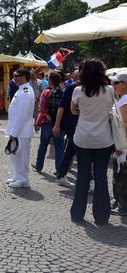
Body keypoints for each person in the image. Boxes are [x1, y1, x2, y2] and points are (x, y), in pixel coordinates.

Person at [70, 59, 114, 226]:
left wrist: (83, 110)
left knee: (82, 176)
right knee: (101, 176)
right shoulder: (109, 90)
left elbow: (73, 110)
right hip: (104, 139)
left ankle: (77, 213)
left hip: (82, 138)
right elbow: (111, 109)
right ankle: (102, 216)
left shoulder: (78, 90)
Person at [5, 68, 35, 188]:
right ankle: (17, 176)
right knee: (15, 154)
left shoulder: (26, 92)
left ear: (23, 77)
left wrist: (14, 132)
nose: (14, 78)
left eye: (16, 75)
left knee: (22, 156)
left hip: (21, 131)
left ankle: (23, 179)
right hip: (17, 130)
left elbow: (21, 115)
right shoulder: (21, 90)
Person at [52, 67, 82, 188]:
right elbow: (62, 107)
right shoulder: (72, 88)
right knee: (79, 150)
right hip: (72, 124)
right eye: (74, 76)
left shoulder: (78, 87)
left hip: (77, 124)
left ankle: (61, 175)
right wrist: (57, 125)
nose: (74, 78)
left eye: (76, 76)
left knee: (70, 150)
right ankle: (90, 180)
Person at [33, 72, 65, 175]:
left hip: (47, 123)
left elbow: (42, 109)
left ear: (50, 81)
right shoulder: (64, 92)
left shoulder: (46, 92)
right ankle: (59, 169)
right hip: (59, 123)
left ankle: (39, 166)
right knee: (59, 147)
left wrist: (47, 118)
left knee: (43, 145)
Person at [110, 72, 127, 216]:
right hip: (121, 144)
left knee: (121, 176)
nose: (113, 85)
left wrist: (121, 145)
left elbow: (125, 124)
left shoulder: (125, 99)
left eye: (117, 83)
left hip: (123, 145)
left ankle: (123, 205)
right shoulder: (122, 99)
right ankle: (120, 202)